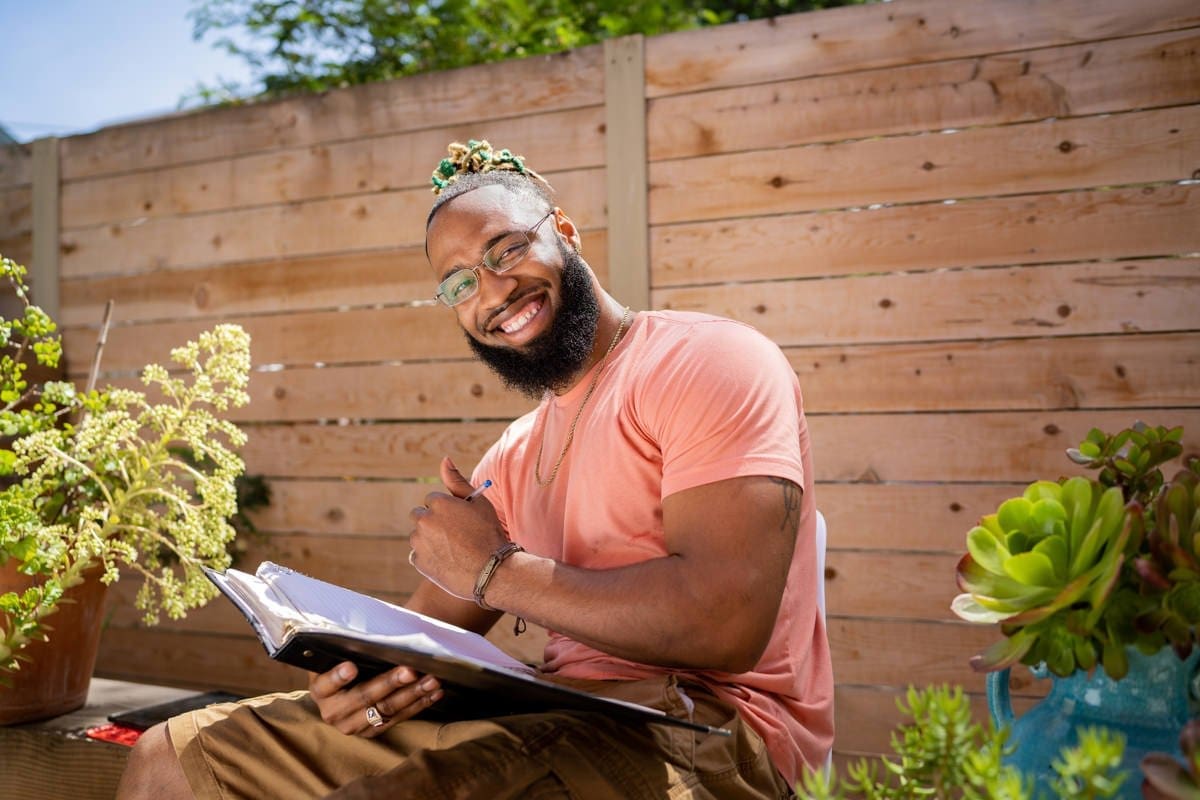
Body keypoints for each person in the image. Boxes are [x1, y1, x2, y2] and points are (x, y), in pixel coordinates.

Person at [117, 140, 833, 800]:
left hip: (702, 740)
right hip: (549, 713)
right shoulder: (517, 455)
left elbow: (726, 619)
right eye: (459, 284)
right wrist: (356, 686)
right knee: (174, 756)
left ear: (566, 234)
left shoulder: (708, 363)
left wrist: (495, 570)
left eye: (507, 249)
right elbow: (420, 644)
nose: (492, 292)